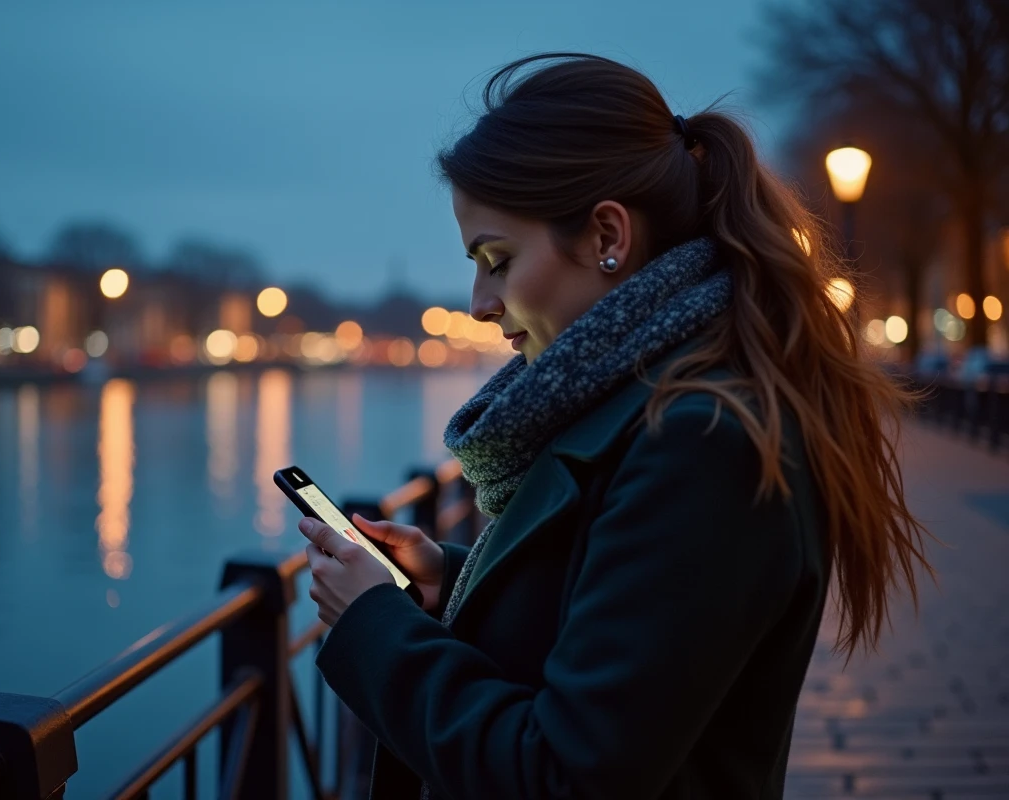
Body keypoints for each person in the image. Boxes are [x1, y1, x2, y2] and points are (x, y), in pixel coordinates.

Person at [296, 53, 931, 800]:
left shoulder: (704, 441)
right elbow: (633, 623)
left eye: (497, 259)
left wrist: (374, 624)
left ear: (607, 236)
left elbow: (568, 774)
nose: (479, 303)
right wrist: (461, 582)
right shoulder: (658, 403)